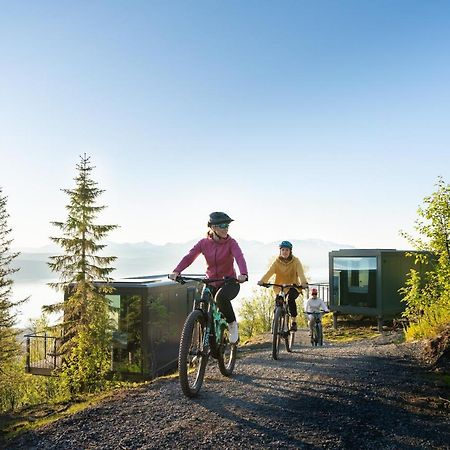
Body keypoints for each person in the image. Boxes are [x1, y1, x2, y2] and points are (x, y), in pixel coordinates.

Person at [169, 212, 248, 344]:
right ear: (213, 227)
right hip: (211, 280)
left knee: (220, 298)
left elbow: (240, 257)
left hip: (229, 282)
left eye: (227, 225)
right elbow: (190, 257)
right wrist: (177, 271)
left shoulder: (231, 243)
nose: (226, 228)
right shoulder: (203, 243)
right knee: (203, 301)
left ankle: (232, 324)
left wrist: (243, 274)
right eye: (222, 225)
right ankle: (203, 343)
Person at [257, 240, 308, 332]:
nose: (285, 252)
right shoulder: (276, 262)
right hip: (279, 287)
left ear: (290, 251)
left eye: (287, 250)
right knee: (278, 302)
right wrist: (262, 281)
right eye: (283, 250)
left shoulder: (296, 261)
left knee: (290, 300)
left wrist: (303, 283)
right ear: (280, 251)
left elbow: (301, 273)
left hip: (293, 287)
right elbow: (269, 272)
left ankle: (293, 322)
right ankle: (276, 322)